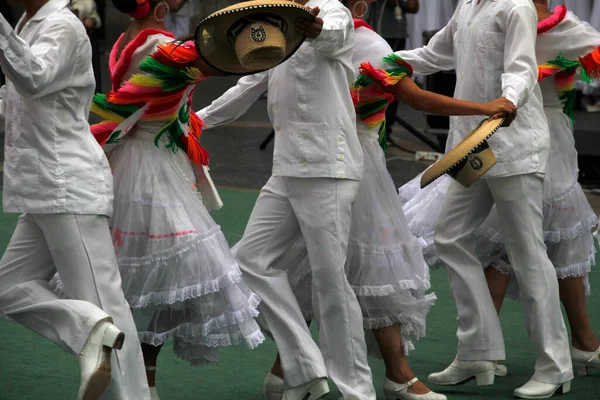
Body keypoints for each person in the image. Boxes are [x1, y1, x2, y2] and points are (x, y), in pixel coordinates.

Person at [250, 0, 515, 398]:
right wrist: (484, 107)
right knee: (359, 270)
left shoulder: (356, 40)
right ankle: (385, 375)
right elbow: (418, 99)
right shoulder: (354, 40)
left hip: (335, 160)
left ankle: (302, 373)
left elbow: (414, 90)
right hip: (345, 162)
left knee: (336, 269)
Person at [58, 1, 266, 399]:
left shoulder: (124, 40)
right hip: (153, 164)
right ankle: (141, 379)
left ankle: (134, 375)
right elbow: (222, 62)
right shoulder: (164, 46)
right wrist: (264, 38)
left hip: (131, 156)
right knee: (169, 275)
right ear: (162, 5)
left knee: (138, 278)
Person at [400, 1, 600, 382]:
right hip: (474, 147)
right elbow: (432, 55)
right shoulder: (467, 6)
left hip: (514, 147)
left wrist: (509, 99)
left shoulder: (516, 6)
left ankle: (555, 367)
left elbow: (521, 68)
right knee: (450, 235)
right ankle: (479, 352)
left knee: (527, 253)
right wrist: (379, 63)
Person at [198, 0, 377, 398]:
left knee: (330, 283)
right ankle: (306, 368)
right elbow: (248, 83)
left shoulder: (332, 10)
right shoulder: (272, 22)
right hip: (288, 168)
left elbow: (334, 36)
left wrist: (313, 29)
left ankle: (358, 392)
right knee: (250, 260)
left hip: (328, 166)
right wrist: (195, 121)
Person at [0, 1, 150, 399]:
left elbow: (34, 77)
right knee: (10, 287)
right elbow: (17, 100)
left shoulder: (63, 26)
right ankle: (88, 331)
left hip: (67, 183)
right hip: (43, 186)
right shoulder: (26, 23)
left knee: (102, 299)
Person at [365, 0, 419, 143]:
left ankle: (386, 129)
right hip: (374, 32)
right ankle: (373, 124)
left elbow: (414, 7)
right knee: (373, 82)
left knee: (393, 81)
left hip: (395, 34)